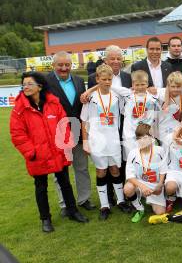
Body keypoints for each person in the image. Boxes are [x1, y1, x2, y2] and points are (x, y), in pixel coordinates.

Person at [10, 72, 88, 233]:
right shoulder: (19, 108)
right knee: (41, 187)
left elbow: (64, 124)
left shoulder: (53, 103)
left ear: (40, 86)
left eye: (30, 84)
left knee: (65, 183)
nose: (26, 87)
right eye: (24, 84)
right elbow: (17, 134)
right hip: (38, 156)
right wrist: (31, 152)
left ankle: (73, 211)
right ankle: (45, 219)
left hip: (58, 152)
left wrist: (64, 146)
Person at [46, 51, 95, 214]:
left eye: (67, 64)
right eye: (60, 65)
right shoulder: (46, 82)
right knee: (60, 171)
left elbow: (84, 108)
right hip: (58, 134)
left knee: (81, 168)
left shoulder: (79, 81)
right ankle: (65, 204)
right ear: (53, 65)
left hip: (79, 132)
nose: (64, 68)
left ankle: (84, 199)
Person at [81, 64, 130, 220]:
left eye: (109, 79)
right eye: (103, 79)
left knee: (115, 169)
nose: (107, 82)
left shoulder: (117, 96)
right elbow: (84, 121)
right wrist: (85, 141)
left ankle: (121, 201)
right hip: (97, 140)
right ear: (97, 79)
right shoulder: (90, 98)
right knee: (101, 171)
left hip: (113, 139)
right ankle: (104, 205)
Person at [124, 124, 168, 224]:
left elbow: (163, 170)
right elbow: (130, 176)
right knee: (127, 188)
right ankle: (140, 209)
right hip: (139, 184)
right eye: (139, 138)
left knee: (160, 213)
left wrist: (160, 184)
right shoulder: (133, 153)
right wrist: (143, 187)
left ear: (151, 138)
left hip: (155, 185)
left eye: (145, 137)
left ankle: (153, 199)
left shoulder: (159, 150)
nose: (142, 140)